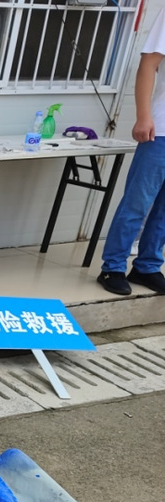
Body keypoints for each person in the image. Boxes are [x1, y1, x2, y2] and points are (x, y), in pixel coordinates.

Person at [97, 8, 165, 296]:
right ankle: (112, 266)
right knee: (138, 201)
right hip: (161, 130)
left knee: (163, 210)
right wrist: (143, 116)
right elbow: (148, 64)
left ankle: (147, 266)